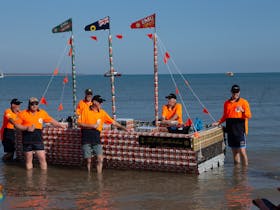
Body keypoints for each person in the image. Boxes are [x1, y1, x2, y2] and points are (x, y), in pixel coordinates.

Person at [78, 94, 129, 173]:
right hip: (86, 137)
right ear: (94, 102)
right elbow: (79, 124)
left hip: (96, 137)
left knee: (100, 158)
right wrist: (92, 126)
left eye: (101, 102)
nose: (101, 104)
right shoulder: (85, 110)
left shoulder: (102, 113)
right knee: (88, 160)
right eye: (100, 102)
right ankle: (88, 176)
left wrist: (124, 128)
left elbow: (113, 122)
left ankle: (99, 176)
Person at [18, 97, 66, 170]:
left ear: (38, 104)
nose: (34, 105)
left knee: (42, 159)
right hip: (27, 140)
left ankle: (43, 179)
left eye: (36, 104)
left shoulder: (42, 113)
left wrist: (60, 125)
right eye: (32, 104)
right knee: (28, 161)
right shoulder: (23, 113)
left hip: (38, 140)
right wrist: (26, 128)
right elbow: (17, 125)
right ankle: (29, 180)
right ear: (29, 105)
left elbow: (51, 120)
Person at [212, 84, 252, 166]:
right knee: (235, 152)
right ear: (231, 92)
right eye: (234, 92)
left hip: (240, 130)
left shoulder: (244, 102)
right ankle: (237, 172)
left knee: (242, 152)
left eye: (237, 92)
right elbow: (225, 116)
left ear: (239, 92)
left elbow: (249, 115)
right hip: (230, 130)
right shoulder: (226, 103)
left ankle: (245, 171)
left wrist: (243, 110)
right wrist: (218, 122)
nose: (235, 94)